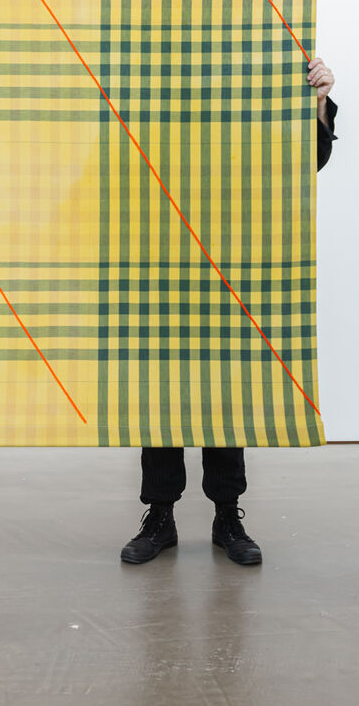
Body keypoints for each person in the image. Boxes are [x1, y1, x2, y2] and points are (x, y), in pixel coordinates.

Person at [121, 57, 337, 566]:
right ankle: (160, 516)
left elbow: (304, 161)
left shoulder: (251, 88)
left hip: (234, 256)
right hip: (160, 256)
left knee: (225, 388)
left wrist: (318, 102)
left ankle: (226, 515)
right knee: (163, 389)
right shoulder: (147, 89)